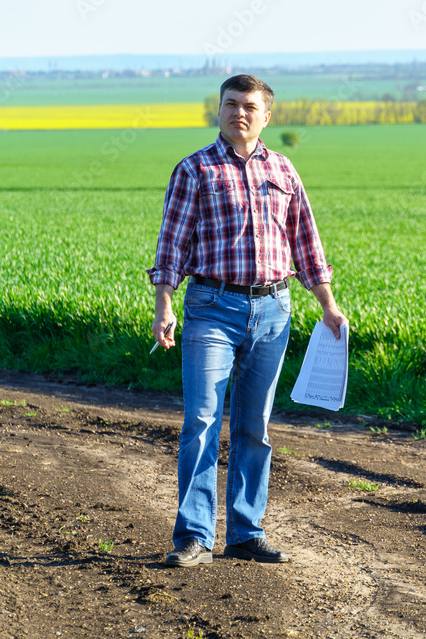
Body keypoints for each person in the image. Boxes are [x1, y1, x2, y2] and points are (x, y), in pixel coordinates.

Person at [147, 74, 347, 567]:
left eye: (250, 106)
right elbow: (171, 244)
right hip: (212, 308)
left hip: (274, 310)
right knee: (201, 420)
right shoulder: (194, 170)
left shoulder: (284, 169)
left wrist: (328, 303)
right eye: (231, 104)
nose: (240, 112)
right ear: (218, 110)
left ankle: (244, 531)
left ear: (266, 116)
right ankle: (193, 537)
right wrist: (164, 305)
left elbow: (307, 244)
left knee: (255, 425)